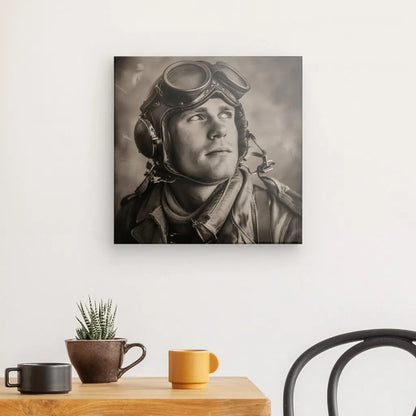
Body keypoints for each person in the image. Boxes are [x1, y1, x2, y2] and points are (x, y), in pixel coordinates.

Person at [115, 60, 302, 244]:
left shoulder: (285, 225)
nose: (220, 130)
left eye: (225, 114)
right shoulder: (129, 218)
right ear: (154, 140)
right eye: (197, 116)